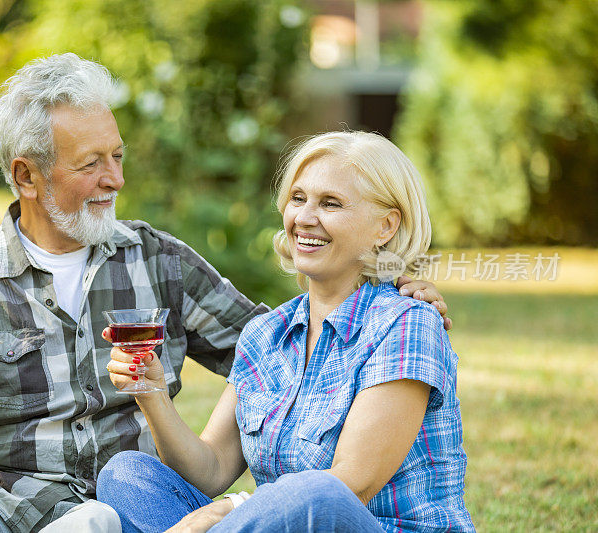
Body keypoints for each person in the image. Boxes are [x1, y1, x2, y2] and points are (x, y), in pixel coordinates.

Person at [0, 55, 448, 533]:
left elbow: (295, 357)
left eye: (117, 155)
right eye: (91, 164)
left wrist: (391, 294)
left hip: (106, 523)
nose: (115, 178)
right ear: (27, 175)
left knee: (103, 511)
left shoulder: (160, 261)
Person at [97, 131, 474, 532]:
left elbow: (351, 485)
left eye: (330, 203)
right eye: (298, 199)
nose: (304, 218)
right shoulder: (265, 334)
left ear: (385, 226)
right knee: (127, 475)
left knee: (315, 492)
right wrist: (151, 392)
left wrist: (229, 509)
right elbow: (211, 470)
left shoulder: (406, 322)